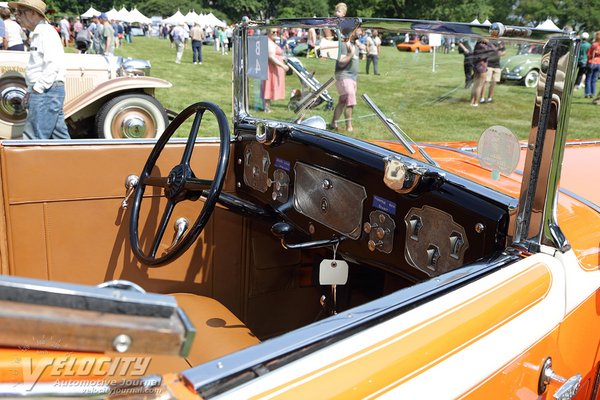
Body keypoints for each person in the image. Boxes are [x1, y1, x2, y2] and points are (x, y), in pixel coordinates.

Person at [9, 0, 70, 139]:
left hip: (46, 91)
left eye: (21, 12)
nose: (17, 16)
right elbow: (40, 67)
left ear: (33, 13)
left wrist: (37, 89)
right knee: (59, 138)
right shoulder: (41, 32)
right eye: (16, 12)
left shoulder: (45, 33)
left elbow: (52, 65)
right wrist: (31, 91)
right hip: (48, 90)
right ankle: (71, 160)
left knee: (33, 138)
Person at [331, 27, 358, 131]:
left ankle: (334, 124)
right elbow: (341, 62)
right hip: (343, 76)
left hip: (351, 79)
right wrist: (350, 54)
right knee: (350, 103)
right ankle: (349, 127)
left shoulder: (354, 45)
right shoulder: (343, 45)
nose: (361, 31)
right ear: (351, 33)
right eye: (358, 30)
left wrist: (355, 80)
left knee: (342, 102)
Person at [261, 29, 289, 113]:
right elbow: (271, 57)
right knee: (269, 86)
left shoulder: (271, 42)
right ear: (268, 33)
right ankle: (266, 108)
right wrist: (282, 65)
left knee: (271, 86)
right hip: (271, 69)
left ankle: (267, 107)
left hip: (274, 68)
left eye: (277, 32)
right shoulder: (269, 42)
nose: (275, 33)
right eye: (273, 32)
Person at [470, 39, 489, 107]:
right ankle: (475, 102)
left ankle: (472, 101)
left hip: (476, 65)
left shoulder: (477, 44)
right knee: (479, 85)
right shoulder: (484, 46)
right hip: (482, 65)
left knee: (475, 84)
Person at [584, 32, 600, 99]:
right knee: (594, 79)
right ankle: (593, 93)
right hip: (599, 63)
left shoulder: (594, 45)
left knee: (588, 79)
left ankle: (587, 93)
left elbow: (588, 54)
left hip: (592, 62)